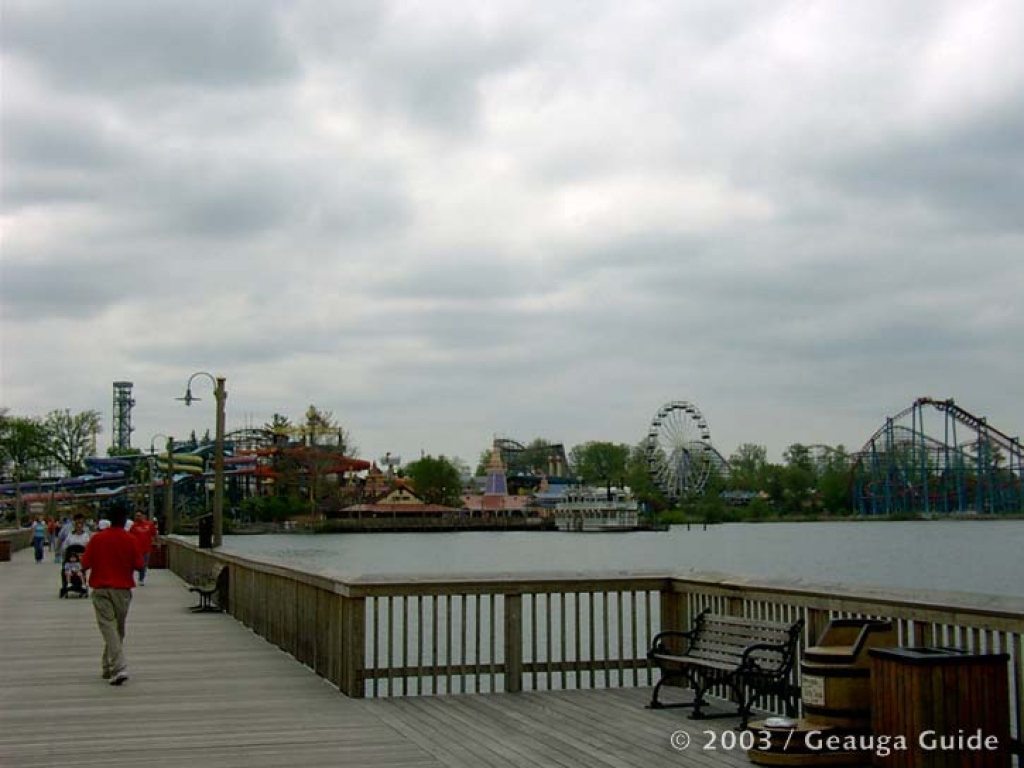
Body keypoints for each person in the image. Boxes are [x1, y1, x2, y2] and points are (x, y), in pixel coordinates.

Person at [81, 502, 144, 686]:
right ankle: (119, 667)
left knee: (110, 628)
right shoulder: (131, 539)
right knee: (117, 629)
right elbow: (139, 565)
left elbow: (85, 563)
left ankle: (109, 666)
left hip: (100, 589)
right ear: (125, 520)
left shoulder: (97, 539)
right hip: (122, 591)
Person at [129, 512, 158, 585]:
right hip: (136, 549)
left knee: (144, 565)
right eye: (136, 516)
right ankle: (130, 578)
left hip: (146, 548)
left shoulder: (149, 525)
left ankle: (141, 579)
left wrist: (157, 542)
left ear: (143, 516)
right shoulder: (133, 526)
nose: (137, 517)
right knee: (133, 564)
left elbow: (154, 534)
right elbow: (130, 536)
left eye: (139, 516)